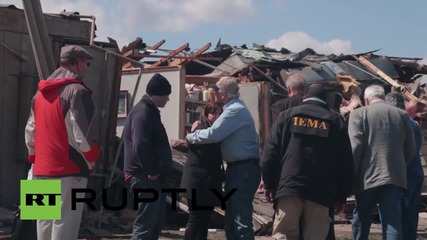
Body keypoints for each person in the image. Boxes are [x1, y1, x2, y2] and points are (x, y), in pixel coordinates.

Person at [25, 45, 100, 240]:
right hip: (69, 168)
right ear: (78, 63)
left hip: (40, 168)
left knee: (42, 223)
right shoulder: (77, 92)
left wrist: (33, 157)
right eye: (86, 63)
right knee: (65, 225)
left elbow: (30, 132)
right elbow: (83, 136)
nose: (86, 67)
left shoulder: (38, 94)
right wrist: (91, 160)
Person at [261, 84, 355, 240]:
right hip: (321, 192)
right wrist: (341, 195)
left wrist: (269, 183)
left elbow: (270, 154)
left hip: (289, 188)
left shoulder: (287, 116)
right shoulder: (335, 121)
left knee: (283, 235)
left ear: (304, 97)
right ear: (325, 100)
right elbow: (345, 162)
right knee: (315, 236)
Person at [186, 76, 261, 240]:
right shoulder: (234, 108)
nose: (213, 92)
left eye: (216, 89)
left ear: (224, 93)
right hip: (241, 168)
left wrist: (192, 136)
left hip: (242, 169)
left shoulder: (234, 110)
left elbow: (214, 134)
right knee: (232, 218)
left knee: (239, 219)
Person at [348, 85, 416, 240]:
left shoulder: (358, 114)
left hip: (366, 177)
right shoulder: (402, 115)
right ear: (383, 97)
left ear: (366, 99)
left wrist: (352, 174)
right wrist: (399, 165)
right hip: (394, 176)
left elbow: (355, 147)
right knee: (392, 222)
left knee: (361, 219)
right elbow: (411, 148)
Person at [123, 73, 173, 240]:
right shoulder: (143, 113)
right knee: (146, 223)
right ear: (158, 94)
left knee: (154, 223)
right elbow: (140, 144)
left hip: (148, 176)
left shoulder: (147, 111)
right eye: (167, 95)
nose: (168, 99)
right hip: (144, 176)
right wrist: (152, 169)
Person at [181, 102, 224, 240]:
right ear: (207, 114)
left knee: (203, 219)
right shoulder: (204, 129)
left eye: (220, 113)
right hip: (199, 182)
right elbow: (210, 155)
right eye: (215, 113)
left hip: (204, 183)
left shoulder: (209, 129)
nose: (218, 116)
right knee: (196, 219)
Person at [385, 92, 424, 240]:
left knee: (402, 213)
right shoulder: (412, 122)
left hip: (405, 174)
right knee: (411, 213)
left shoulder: (400, 122)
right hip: (415, 171)